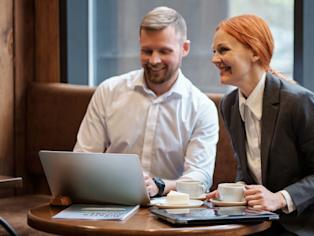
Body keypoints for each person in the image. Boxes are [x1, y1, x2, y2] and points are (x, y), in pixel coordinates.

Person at [208, 15, 314, 235]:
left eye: (223, 50)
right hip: (267, 224)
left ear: (255, 52)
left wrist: (279, 198)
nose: (215, 59)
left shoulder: (298, 102)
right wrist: (232, 194)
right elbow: (248, 171)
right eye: (214, 51)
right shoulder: (229, 104)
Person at [74, 6, 219, 198]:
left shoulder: (202, 107)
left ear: (184, 48)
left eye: (164, 51)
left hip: (170, 208)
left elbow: (200, 178)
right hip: (112, 201)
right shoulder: (108, 91)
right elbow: (83, 159)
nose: (154, 60)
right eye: (147, 51)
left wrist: (159, 186)